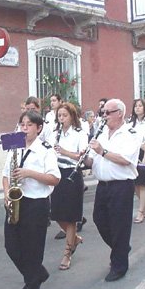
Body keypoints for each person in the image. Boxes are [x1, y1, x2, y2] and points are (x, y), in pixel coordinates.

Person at [2, 110, 60, 289]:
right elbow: (5, 174)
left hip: (36, 204)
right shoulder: (14, 146)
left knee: (32, 250)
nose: (24, 128)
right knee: (11, 246)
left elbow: (54, 179)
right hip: (17, 201)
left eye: (28, 125)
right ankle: (37, 274)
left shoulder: (46, 150)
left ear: (39, 128)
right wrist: (6, 193)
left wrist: (29, 173)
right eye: (22, 124)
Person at [83, 99, 140, 282]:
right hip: (103, 185)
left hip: (121, 186)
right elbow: (92, 160)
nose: (104, 116)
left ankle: (119, 266)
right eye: (103, 112)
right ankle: (121, 248)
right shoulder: (101, 133)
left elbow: (126, 160)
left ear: (120, 113)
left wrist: (102, 152)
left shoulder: (130, 133)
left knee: (120, 226)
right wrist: (83, 159)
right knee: (99, 220)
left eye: (108, 112)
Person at [50, 103, 88, 270]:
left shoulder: (80, 133)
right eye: (59, 116)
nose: (61, 119)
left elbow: (81, 155)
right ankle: (75, 239)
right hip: (57, 174)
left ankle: (67, 252)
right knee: (56, 213)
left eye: (64, 115)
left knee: (71, 215)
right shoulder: (55, 133)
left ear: (72, 116)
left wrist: (64, 151)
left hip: (72, 174)